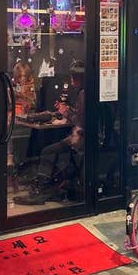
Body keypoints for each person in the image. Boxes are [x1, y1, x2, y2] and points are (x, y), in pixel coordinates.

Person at [13, 59, 85, 205]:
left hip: (81, 140)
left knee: (47, 151)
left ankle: (41, 190)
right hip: (83, 137)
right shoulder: (86, 92)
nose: (71, 81)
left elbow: (81, 121)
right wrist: (67, 110)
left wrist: (66, 113)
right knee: (50, 149)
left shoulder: (83, 94)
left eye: (73, 78)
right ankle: (47, 186)